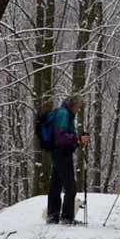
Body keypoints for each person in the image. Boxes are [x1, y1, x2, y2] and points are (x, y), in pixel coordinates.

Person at [46, 95, 90, 225]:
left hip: (57, 152)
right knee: (70, 186)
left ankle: (52, 215)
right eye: (78, 106)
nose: (78, 109)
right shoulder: (64, 114)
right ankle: (67, 217)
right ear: (73, 105)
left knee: (56, 184)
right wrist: (78, 139)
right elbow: (61, 137)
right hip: (62, 153)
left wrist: (76, 139)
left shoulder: (61, 112)